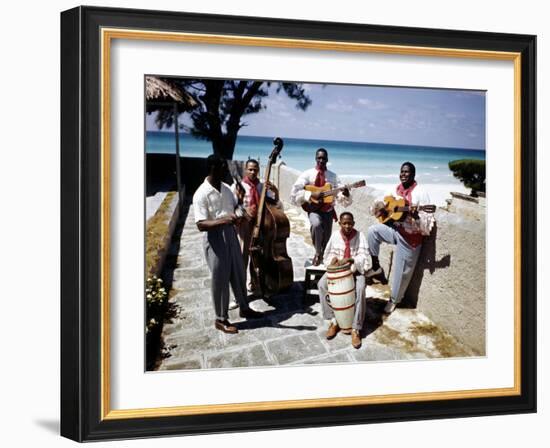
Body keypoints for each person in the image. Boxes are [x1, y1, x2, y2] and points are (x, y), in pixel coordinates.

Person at [193, 154, 263, 334]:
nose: (227, 171)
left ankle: (244, 307)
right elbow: (201, 224)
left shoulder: (225, 188)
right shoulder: (201, 193)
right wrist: (225, 220)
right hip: (215, 239)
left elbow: (236, 206)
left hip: (231, 234)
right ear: (213, 169)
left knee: (238, 272)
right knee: (221, 279)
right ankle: (221, 319)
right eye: (224, 167)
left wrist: (242, 213)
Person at [366, 162, 435, 314]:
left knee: (401, 271)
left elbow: (427, 223)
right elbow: (382, 204)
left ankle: (394, 300)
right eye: (402, 172)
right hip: (396, 230)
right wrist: (382, 209)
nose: (404, 174)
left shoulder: (421, 192)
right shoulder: (395, 189)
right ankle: (376, 266)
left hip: (411, 238)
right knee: (372, 231)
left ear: (413, 175)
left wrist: (416, 216)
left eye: (407, 172)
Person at [290, 148, 352, 266]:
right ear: (315, 158)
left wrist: (346, 194)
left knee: (326, 237)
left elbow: (340, 196)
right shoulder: (307, 174)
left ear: (327, 159)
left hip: (328, 211)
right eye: (319, 158)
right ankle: (318, 253)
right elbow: (294, 193)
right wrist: (311, 194)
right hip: (313, 209)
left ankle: (323, 254)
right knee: (316, 225)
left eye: (324, 158)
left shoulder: (333, 177)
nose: (321, 160)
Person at [231, 159, 281, 301]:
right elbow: (231, 207)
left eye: (256, 170)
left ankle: (254, 284)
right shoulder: (238, 186)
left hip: (260, 226)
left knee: (258, 257)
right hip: (244, 226)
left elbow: (275, 204)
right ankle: (238, 293)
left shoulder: (261, 187)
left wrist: (275, 192)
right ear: (246, 170)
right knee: (242, 258)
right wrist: (243, 211)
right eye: (250, 169)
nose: (253, 172)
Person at [317, 212, 368, 349]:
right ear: (339, 223)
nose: (347, 226)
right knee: (322, 284)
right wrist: (333, 260)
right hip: (338, 270)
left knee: (360, 288)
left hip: (354, 270)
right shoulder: (335, 236)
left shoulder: (360, 236)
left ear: (354, 223)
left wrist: (352, 260)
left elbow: (365, 257)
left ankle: (356, 328)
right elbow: (328, 254)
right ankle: (334, 320)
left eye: (350, 223)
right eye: (344, 223)